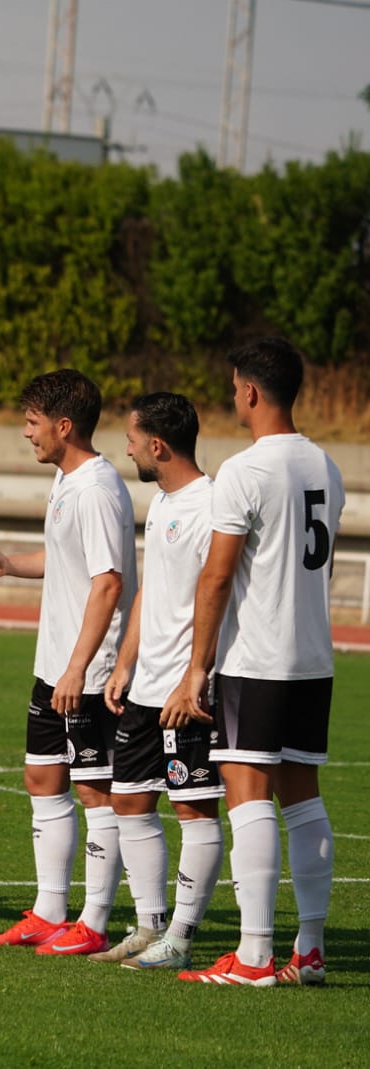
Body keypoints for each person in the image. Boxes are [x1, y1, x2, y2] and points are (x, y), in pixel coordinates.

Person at [163, 338, 342, 986]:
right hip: (312, 659)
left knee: (247, 795)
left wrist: (195, 670)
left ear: (250, 392)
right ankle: (311, 949)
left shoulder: (246, 469)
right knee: (303, 797)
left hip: (257, 658)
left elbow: (217, 576)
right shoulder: (326, 464)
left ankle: (256, 953)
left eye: (235, 385)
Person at [0, 369, 135, 954]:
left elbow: (108, 584)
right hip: (55, 664)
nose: (25, 433)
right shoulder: (67, 481)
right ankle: (49, 910)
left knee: (94, 792)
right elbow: (68, 562)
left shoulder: (97, 488)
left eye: (32, 422)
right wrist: (7, 564)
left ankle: (95, 920)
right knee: (42, 778)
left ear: (63, 425)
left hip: (88, 671)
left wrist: (79, 668)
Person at [94, 392, 225, 969]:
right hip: (147, 684)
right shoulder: (166, 502)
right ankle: (148, 926)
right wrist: (125, 661)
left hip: (184, 691)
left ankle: (182, 935)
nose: (125, 447)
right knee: (129, 800)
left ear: (158, 445)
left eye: (131, 437)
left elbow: (219, 598)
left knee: (194, 809)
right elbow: (152, 590)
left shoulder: (212, 506)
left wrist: (193, 680)